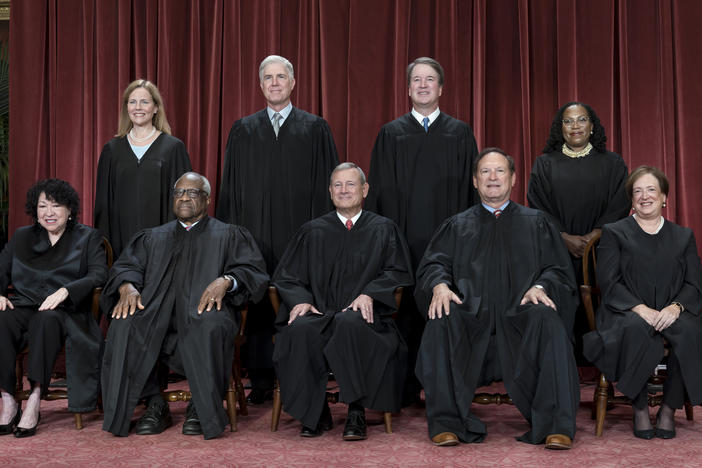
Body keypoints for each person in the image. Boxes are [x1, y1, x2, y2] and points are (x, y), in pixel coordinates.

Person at [415, 148, 579, 449]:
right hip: (471, 317)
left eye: (500, 171)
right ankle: (446, 422)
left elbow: (558, 270)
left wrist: (541, 287)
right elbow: (434, 264)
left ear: (513, 178)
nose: (493, 178)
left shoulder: (537, 223)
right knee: (442, 318)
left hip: (521, 315)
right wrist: (438, 285)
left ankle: (555, 425)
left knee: (547, 319)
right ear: (475, 181)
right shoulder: (456, 225)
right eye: (485, 172)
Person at [100, 172, 269, 440]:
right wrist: (127, 286)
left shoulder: (229, 235)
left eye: (193, 192)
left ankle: (201, 408)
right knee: (125, 324)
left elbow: (252, 271)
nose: (184, 198)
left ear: (208, 199)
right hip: (156, 311)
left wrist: (227, 280)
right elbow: (126, 267)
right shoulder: (152, 237)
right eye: (179, 193)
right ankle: (154, 403)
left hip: (205, 311)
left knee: (210, 325)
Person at [217, 55, 339, 404]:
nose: (274, 83)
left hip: (301, 236)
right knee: (256, 305)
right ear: (260, 85)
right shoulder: (243, 129)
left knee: (299, 301)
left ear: (293, 82)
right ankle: (261, 380)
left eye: (281, 77)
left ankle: (302, 378)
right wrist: (231, 239)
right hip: (254, 235)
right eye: (267, 78)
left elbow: (329, 187)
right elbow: (230, 189)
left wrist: (323, 237)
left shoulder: (316, 128)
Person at [365, 57, 479, 405]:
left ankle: (448, 389)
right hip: (403, 240)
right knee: (405, 315)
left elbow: (470, 192)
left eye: (430, 80)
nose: (424, 85)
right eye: (417, 80)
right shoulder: (390, 134)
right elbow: (379, 194)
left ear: (441, 88)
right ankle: (404, 389)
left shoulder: (459, 133)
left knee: (445, 311)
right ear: (408, 88)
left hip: (448, 245)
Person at [272, 162, 413, 440]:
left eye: (350, 184)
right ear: (330, 191)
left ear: (364, 189)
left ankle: (356, 412)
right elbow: (287, 276)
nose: (344, 190)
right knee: (300, 329)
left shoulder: (384, 229)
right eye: (338, 185)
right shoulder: (312, 231)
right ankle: (315, 413)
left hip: (365, 318)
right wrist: (300, 299)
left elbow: (399, 271)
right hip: (320, 312)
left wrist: (370, 293)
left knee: (350, 323)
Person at [583, 166, 702, 440]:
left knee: (691, 332)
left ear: (664, 197)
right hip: (626, 310)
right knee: (636, 329)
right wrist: (640, 309)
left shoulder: (683, 236)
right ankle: (639, 407)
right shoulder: (615, 232)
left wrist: (676, 308)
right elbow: (609, 282)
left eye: (651, 190)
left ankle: (669, 409)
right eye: (637, 191)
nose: (644, 196)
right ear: (631, 199)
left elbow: (695, 284)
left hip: (672, 310)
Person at [0, 179, 107, 437]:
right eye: (42, 206)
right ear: (34, 210)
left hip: (66, 311)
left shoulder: (88, 237)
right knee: (1, 319)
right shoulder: (22, 237)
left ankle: (35, 397)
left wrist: (67, 290)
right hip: (24, 304)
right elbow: (1, 270)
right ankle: (8, 399)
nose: (48, 212)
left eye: (56, 206)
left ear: (70, 209)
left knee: (45, 320)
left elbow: (99, 275)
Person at [94, 79, 192, 259]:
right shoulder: (112, 150)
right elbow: (103, 205)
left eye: (144, 102)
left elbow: (184, 202)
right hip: (121, 245)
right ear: (126, 108)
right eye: (132, 102)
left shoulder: (173, 148)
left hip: (164, 246)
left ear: (155, 108)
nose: (138, 107)